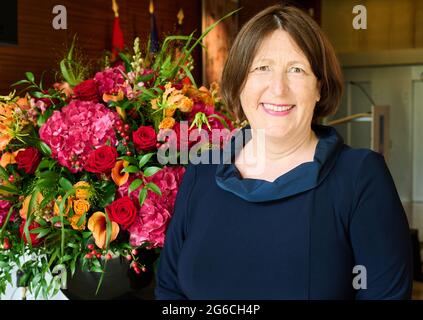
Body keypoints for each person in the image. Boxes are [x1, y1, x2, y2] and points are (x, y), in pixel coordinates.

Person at [155, 4, 413, 299]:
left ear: (319, 87)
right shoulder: (201, 172)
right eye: (262, 68)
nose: (278, 88)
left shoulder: (360, 177)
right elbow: (169, 290)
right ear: (240, 82)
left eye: (297, 69)